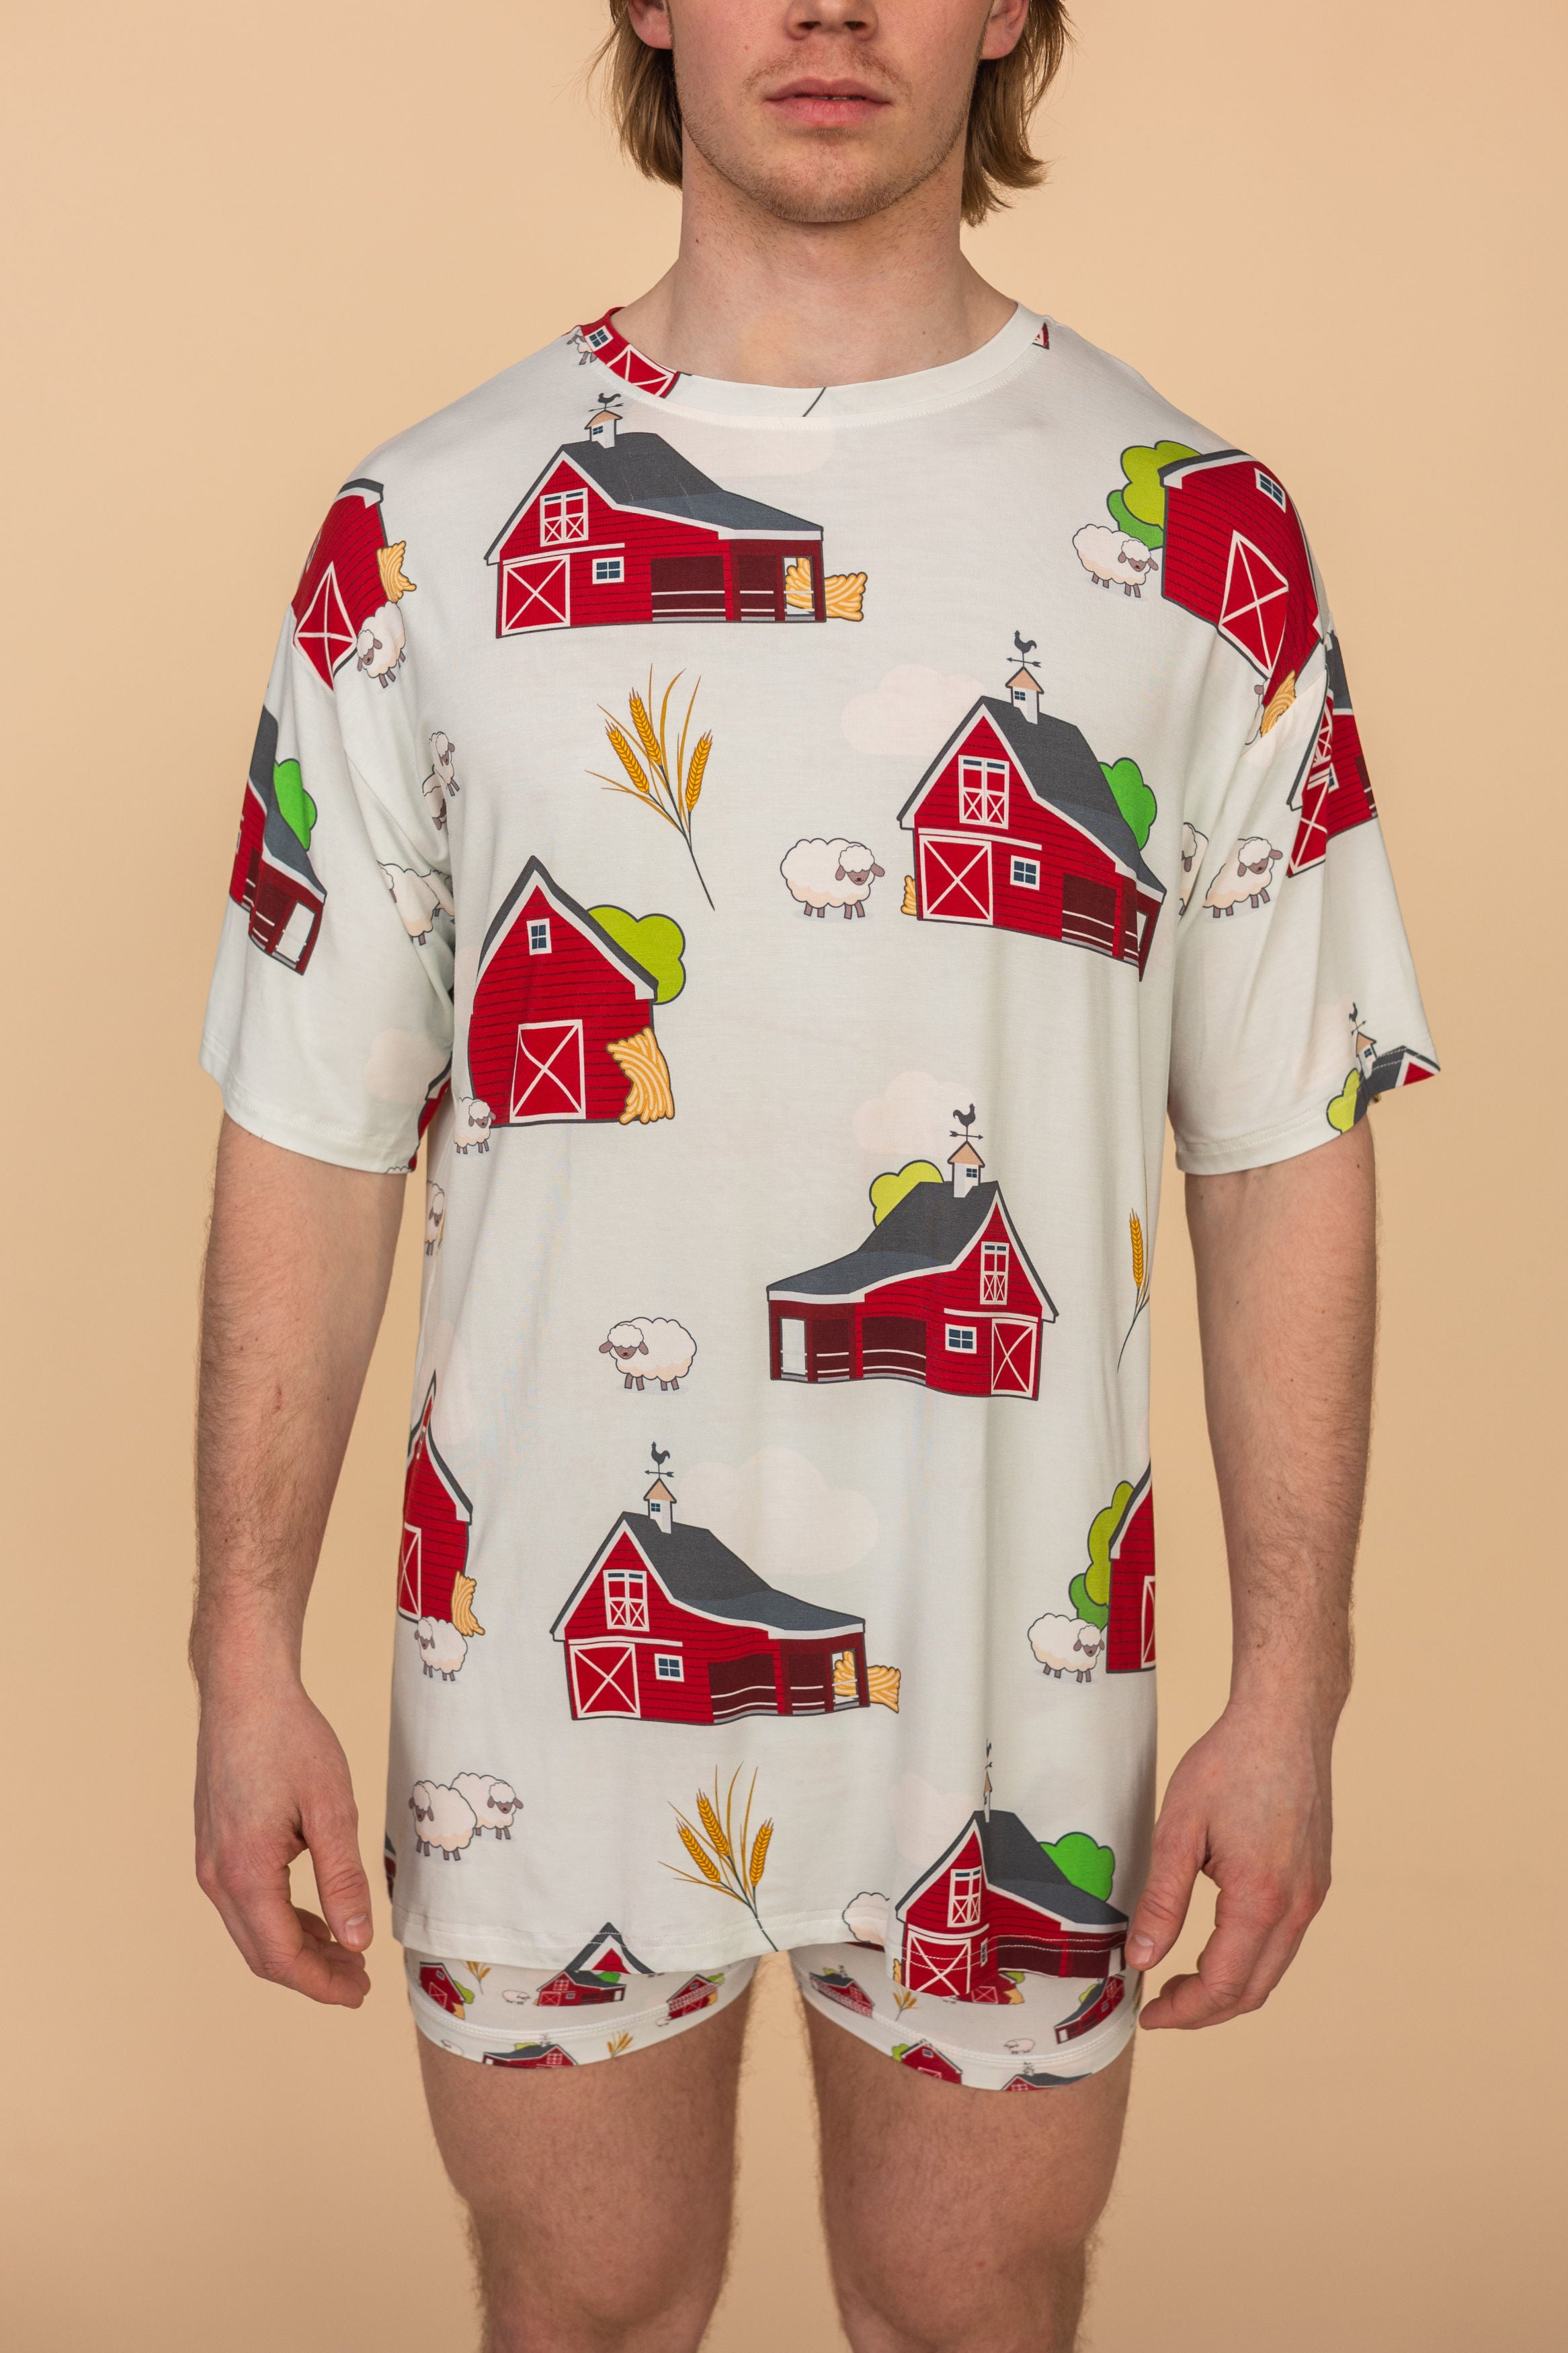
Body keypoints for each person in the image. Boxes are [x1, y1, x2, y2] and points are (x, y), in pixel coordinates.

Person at [191, 3, 1437, 2346]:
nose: (834, 7)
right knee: (584, 2300)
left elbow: (1286, 1147)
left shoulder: (1209, 544)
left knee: (974, 2305)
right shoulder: (416, 538)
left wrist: (1295, 1689)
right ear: (651, 3)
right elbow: (310, 1130)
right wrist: (240, 1649)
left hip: (1010, 1675)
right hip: (530, 1677)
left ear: (1010, 13)